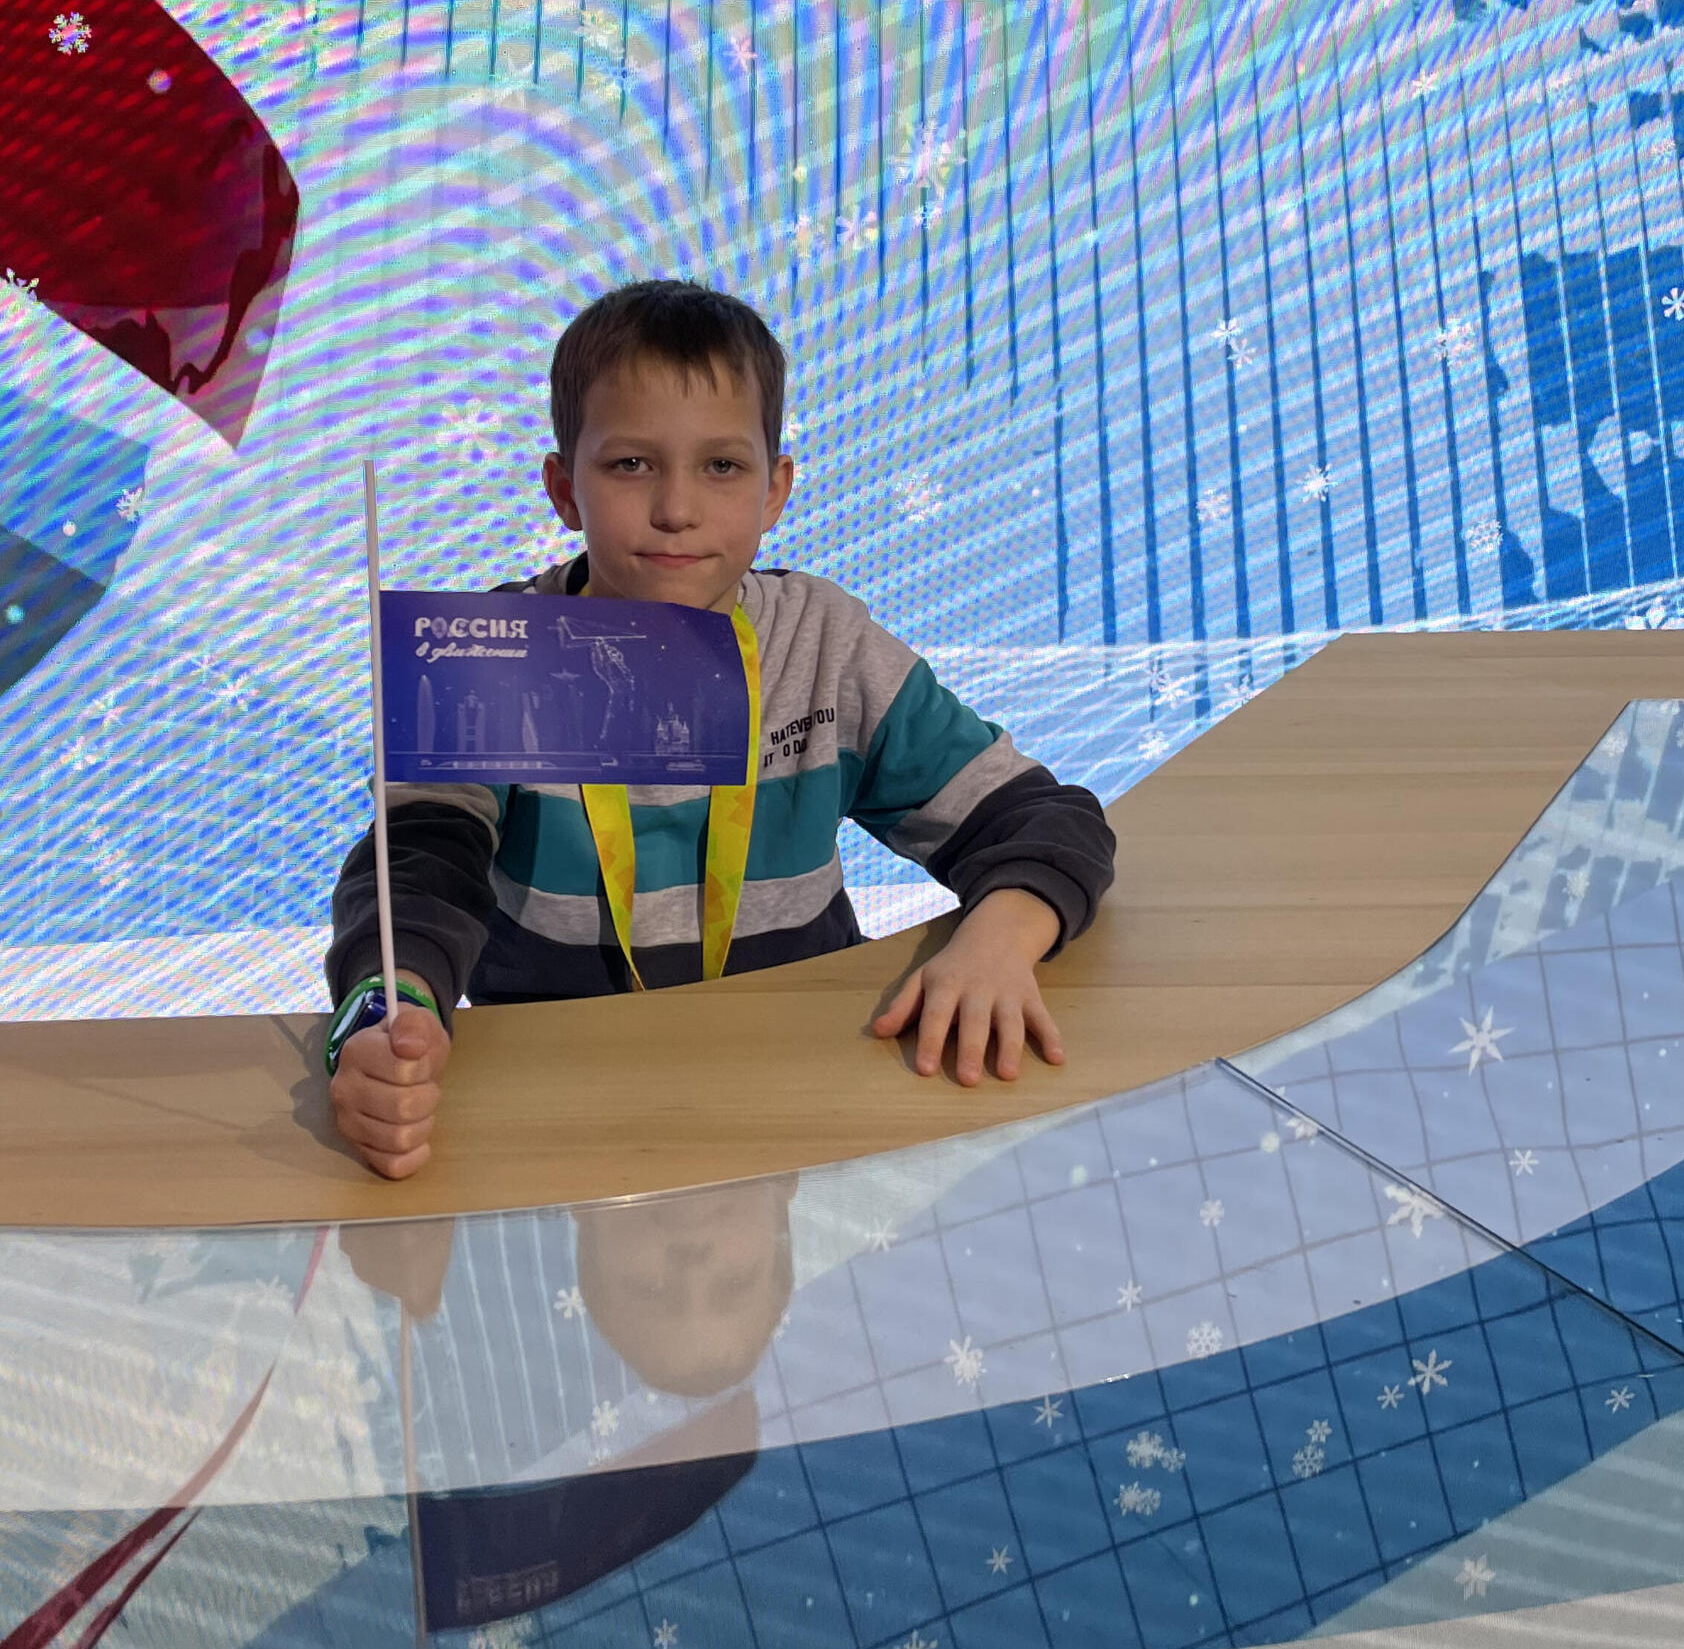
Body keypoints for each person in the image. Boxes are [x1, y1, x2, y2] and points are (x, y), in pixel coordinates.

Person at [320, 279, 1116, 1180]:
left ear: (776, 489)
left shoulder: (823, 643)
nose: (677, 508)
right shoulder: (489, 657)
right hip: (563, 1113)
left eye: (722, 467)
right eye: (631, 465)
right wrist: (390, 1013)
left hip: (803, 1095)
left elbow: (1046, 821)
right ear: (564, 489)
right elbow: (414, 873)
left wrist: (1000, 938)